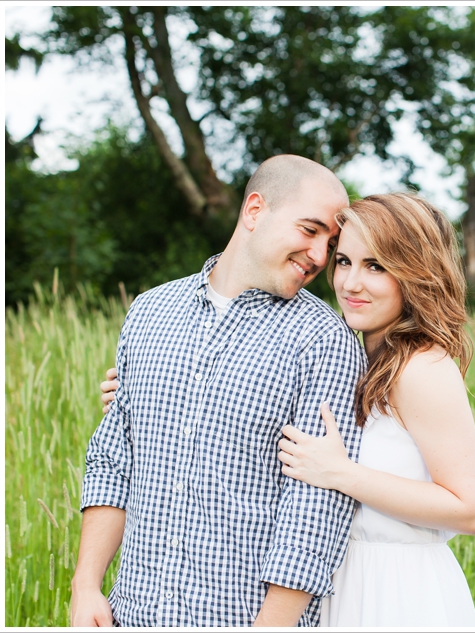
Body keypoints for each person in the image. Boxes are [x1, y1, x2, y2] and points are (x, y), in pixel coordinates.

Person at [101, 192, 475, 626]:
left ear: (416, 272)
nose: (351, 283)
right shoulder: (359, 357)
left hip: (395, 589)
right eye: (344, 261)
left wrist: (343, 474)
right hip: (336, 584)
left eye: (376, 266)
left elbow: (469, 509)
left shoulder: (423, 368)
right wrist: (155, 395)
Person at [73, 155, 366, 627]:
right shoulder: (149, 312)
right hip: (131, 614)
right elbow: (113, 458)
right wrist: (86, 586)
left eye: (330, 243)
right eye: (310, 230)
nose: (319, 255)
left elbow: (316, 510)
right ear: (254, 210)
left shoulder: (324, 341)